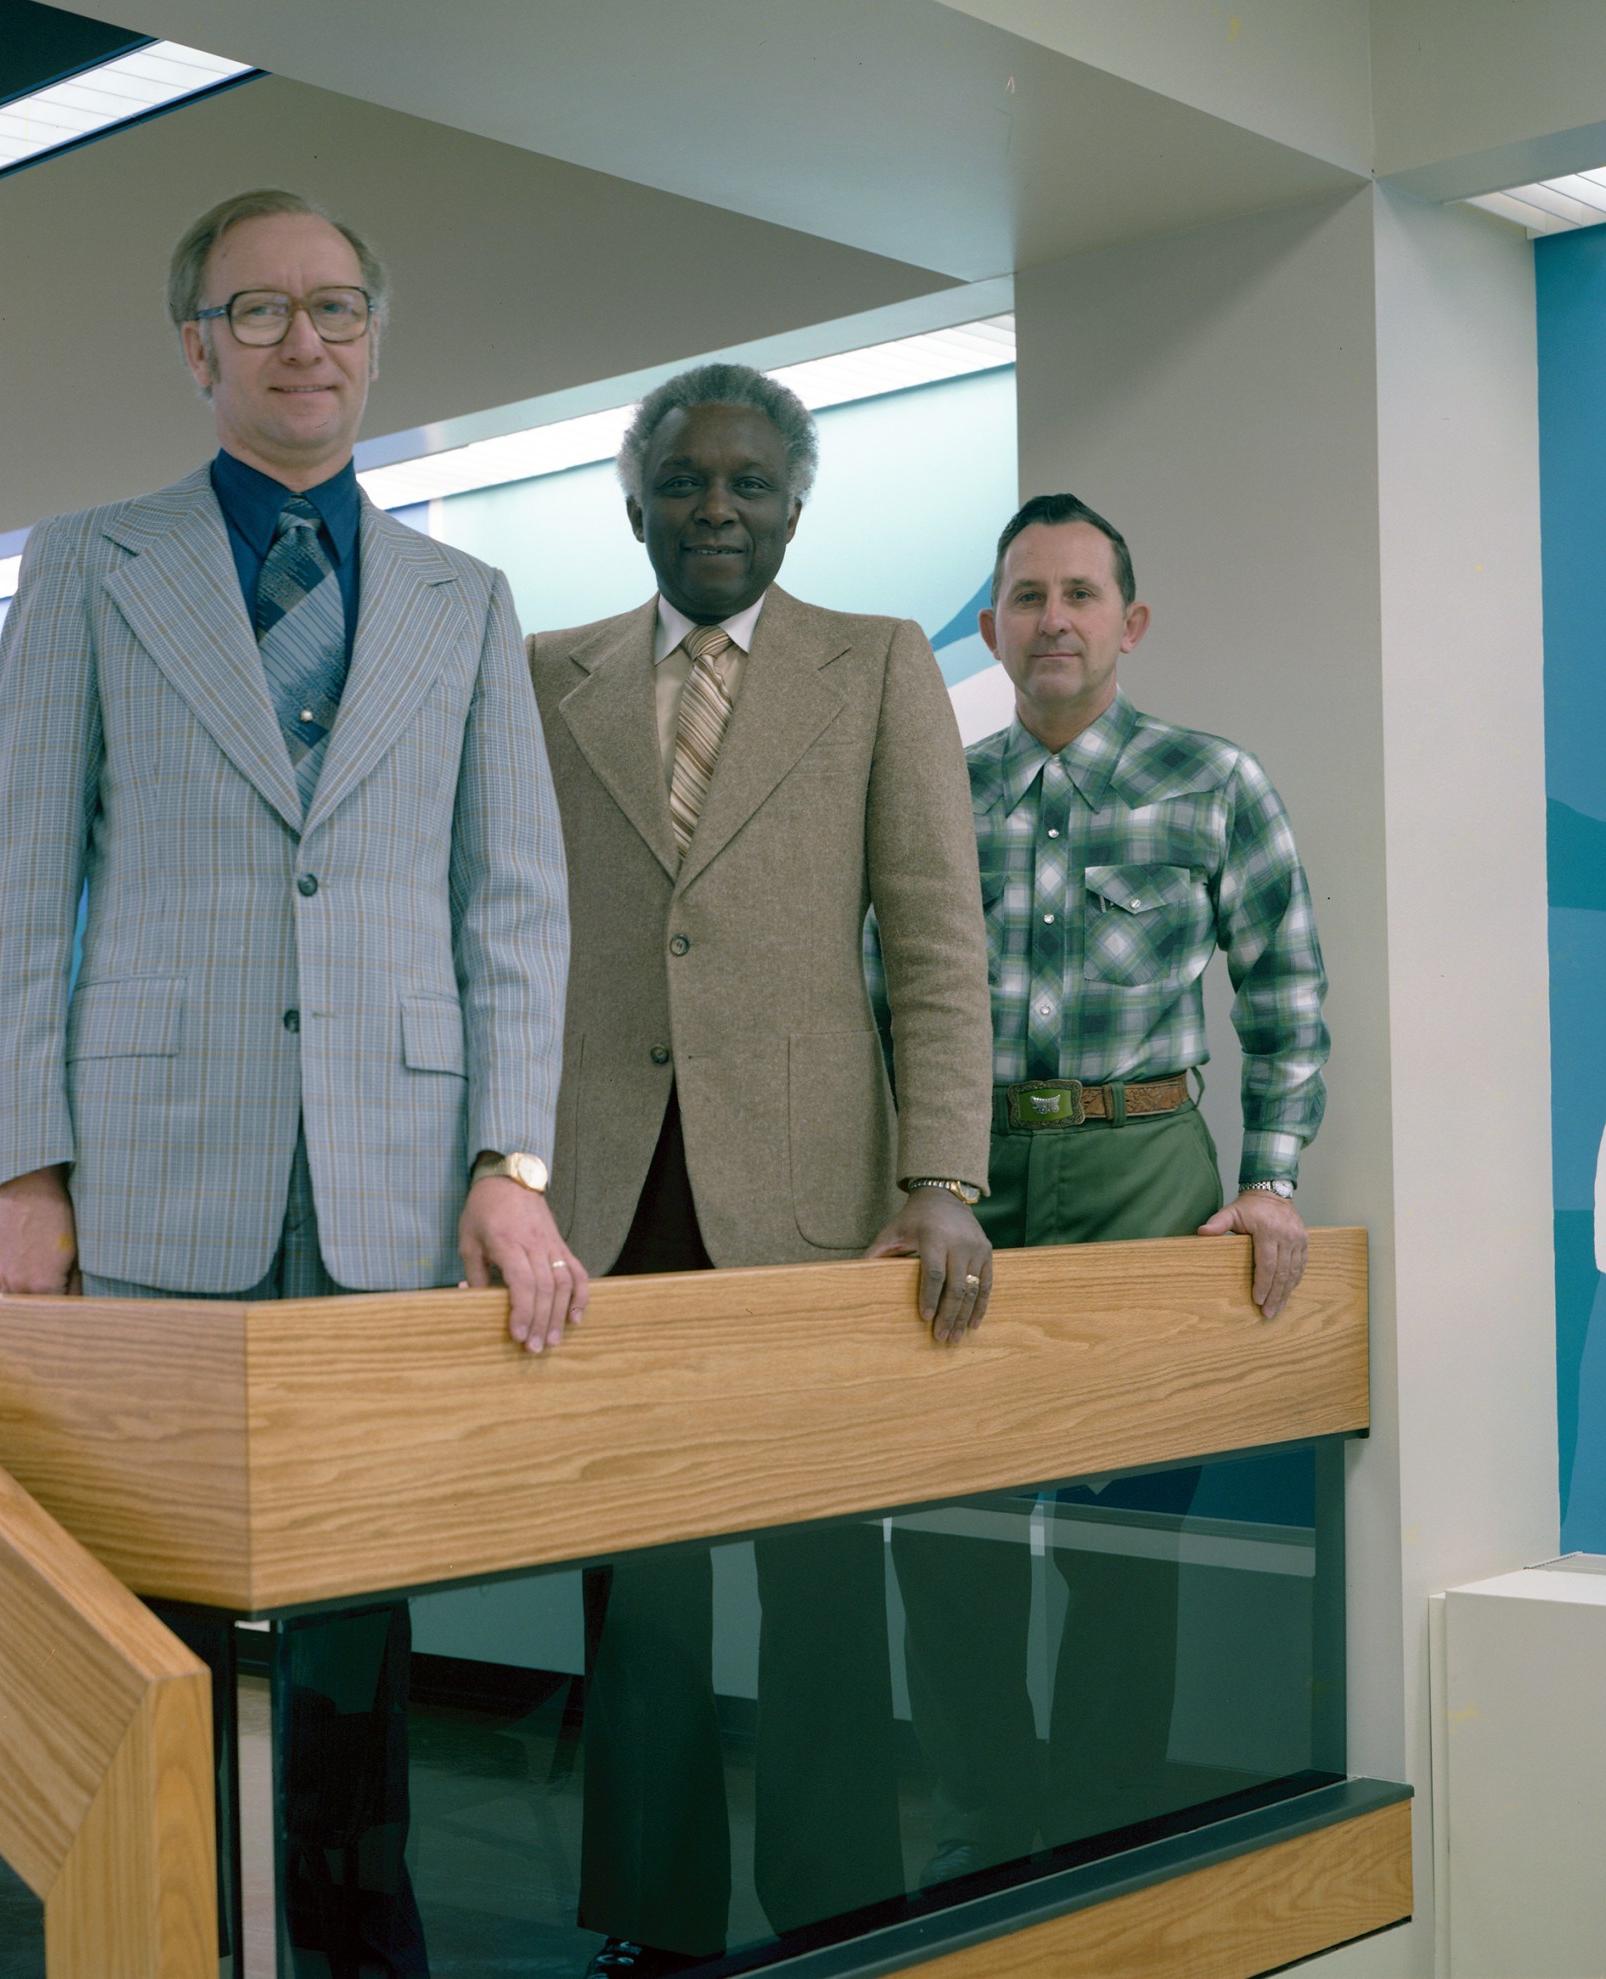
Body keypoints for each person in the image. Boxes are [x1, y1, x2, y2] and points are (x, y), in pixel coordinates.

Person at [0, 186, 581, 1978]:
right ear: (194, 349)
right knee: (139, 1634)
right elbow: (25, 878)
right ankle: (147, 1942)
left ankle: (353, 1949)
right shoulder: (89, 563)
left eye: (334, 308)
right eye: (258, 312)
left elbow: (517, 897)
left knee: (353, 1646)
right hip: (162, 1167)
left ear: (374, 335)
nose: (302, 342)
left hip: (393, 1186)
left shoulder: (466, 602)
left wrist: (511, 1161)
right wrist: (30, 1171)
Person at [529, 363, 994, 1975]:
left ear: (796, 506)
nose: (715, 509)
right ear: (634, 497)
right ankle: (653, 1928)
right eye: (685, 482)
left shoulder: (874, 668)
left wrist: (944, 1173)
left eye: (749, 485)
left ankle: (837, 1902)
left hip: (817, 1195)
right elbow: (502, 942)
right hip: (605, 1193)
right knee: (641, 1594)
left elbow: (937, 940)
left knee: (819, 1580)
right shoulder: (544, 677)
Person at [889, 491, 1331, 1874]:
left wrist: (1268, 1179)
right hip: (973, 1179)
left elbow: (1286, 990)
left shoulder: (1213, 783)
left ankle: (1101, 1831)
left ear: (1129, 625)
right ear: (991, 628)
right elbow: (881, 996)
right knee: (948, 1528)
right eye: (1028, 597)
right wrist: (912, 1178)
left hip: (1149, 1173)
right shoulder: (935, 800)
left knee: (1125, 1540)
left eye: (1082, 595)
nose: (1054, 620)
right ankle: (975, 1828)